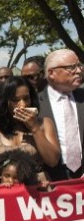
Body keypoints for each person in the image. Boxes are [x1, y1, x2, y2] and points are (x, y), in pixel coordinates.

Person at [0, 76, 60, 184]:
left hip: (39, 190)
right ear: (4, 102)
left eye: (26, 98)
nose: (23, 105)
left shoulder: (44, 123)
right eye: (15, 100)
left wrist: (35, 128)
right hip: (6, 192)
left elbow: (53, 161)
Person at [38, 49, 84, 180]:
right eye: (71, 67)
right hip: (51, 180)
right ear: (51, 73)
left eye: (79, 65)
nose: (79, 71)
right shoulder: (35, 104)